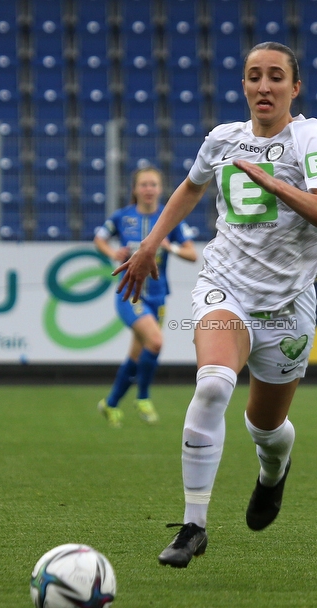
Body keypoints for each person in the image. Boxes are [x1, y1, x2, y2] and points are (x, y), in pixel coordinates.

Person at [115, 42, 317, 567]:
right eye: (253, 77)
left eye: (275, 77)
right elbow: (190, 188)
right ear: (243, 85)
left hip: (288, 303)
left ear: (295, 86)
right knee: (214, 382)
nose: (264, 86)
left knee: (266, 428)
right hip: (226, 284)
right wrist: (150, 243)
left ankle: (273, 471)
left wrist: (274, 184)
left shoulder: (310, 137)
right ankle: (193, 526)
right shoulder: (223, 139)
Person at [94, 166, 198, 427]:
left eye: (153, 185)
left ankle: (110, 403)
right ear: (135, 189)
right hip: (131, 294)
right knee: (155, 342)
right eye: (144, 184)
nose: (149, 189)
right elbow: (100, 238)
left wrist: (170, 247)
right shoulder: (122, 217)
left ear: (160, 189)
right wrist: (112, 253)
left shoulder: (169, 217)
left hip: (158, 297)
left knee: (138, 355)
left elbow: (192, 254)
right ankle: (143, 396)